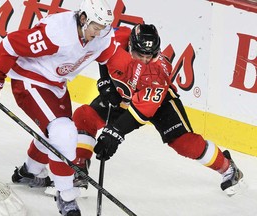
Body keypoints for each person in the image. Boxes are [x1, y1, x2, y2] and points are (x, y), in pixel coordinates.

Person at [0, 0, 118, 215]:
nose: (98, 33)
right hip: (31, 81)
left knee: (55, 133)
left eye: (103, 28)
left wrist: (113, 83)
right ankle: (66, 195)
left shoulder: (101, 34)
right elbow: (10, 44)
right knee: (64, 132)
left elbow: (109, 59)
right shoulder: (56, 34)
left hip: (56, 84)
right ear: (84, 19)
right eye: (96, 27)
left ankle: (30, 172)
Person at [72, 23, 244, 197]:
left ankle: (227, 167)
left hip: (158, 102)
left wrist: (114, 134)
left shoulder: (158, 74)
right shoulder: (118, 36)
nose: (146, 60)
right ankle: (79, 169)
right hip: (123, 93)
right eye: (141, 55)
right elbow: (101, 50)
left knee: (184, 144)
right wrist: (105, 82)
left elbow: (140, 113)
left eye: (151, 55)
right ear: (130, 45)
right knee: (84, 116)